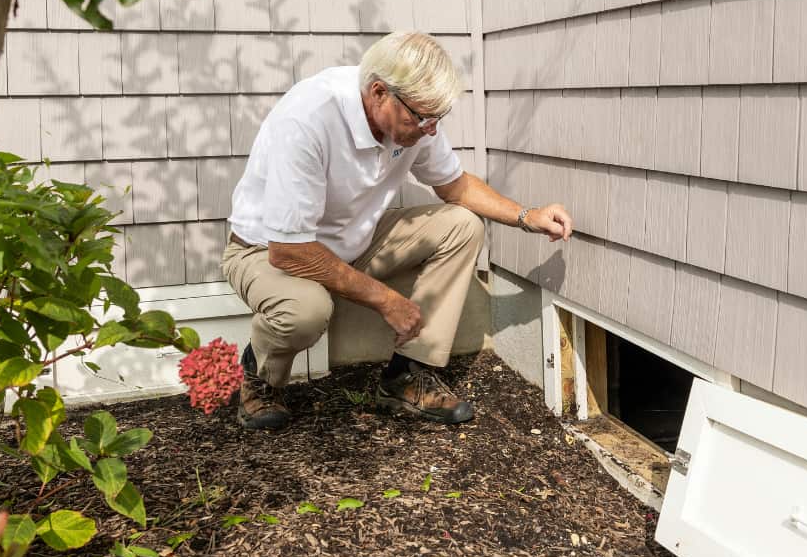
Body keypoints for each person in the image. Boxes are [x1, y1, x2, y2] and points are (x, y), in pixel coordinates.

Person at [222, 31, 573, 430]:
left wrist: (527, 216)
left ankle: (407, 377)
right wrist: (388, 301)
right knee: (306, 312)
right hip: (266, 250)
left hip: (353, 241)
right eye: (421, 119)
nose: (429, 131)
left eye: (436, 120)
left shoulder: (414, 121)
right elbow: (289, 250)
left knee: (462, 225)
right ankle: (260, 376)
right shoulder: (308, 118)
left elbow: (455, 187)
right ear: (378, 93)